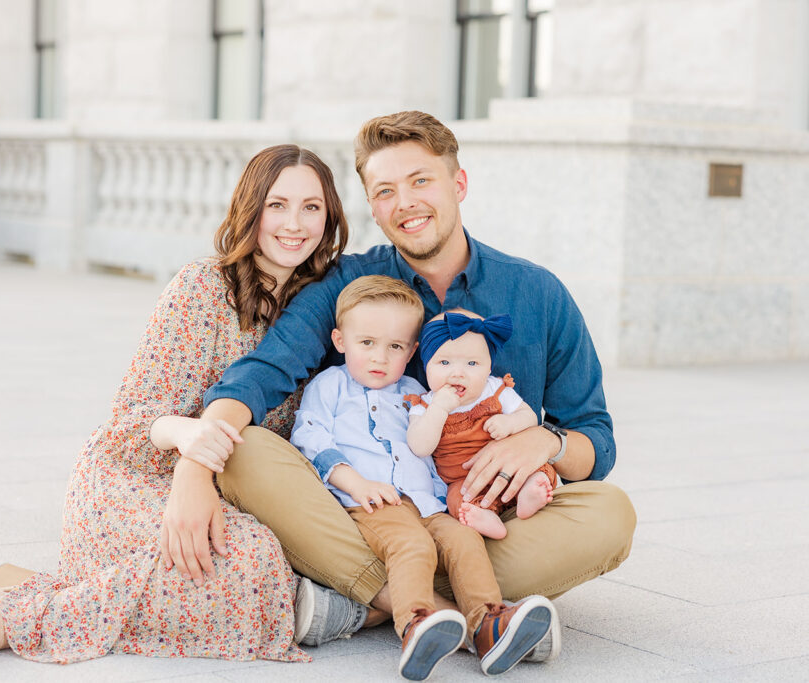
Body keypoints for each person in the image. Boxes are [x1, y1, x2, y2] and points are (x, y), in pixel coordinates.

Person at [194, 110, 637, 664]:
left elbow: (596, 438)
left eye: (420, 181)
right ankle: (467, 612)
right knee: (247, 449)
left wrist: (543, 442)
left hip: (491, 517)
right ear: (373, 207)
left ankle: (367, 604)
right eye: (385, 191)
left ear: (459, 184)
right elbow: (266, 369)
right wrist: (196, 465)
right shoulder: (348, 281)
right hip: (376, 513)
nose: (405, 203)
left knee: (611, 514)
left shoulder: (538, 293)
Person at [0, 144, 366, 662]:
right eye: (278, 205)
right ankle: (15, 616)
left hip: (244, 493)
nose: (294, 223)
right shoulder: (202, 287)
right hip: (137, 477)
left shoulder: (331, 308)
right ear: (251, 209)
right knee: (249, 559)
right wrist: (189, 439)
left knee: (274, 557)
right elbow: (132, 417)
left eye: (311, 207)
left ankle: (21, 588)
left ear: (330, 214)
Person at [290, 275, 556, 679]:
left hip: (428, 500)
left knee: (464, 540)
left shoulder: (416, 392)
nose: (380, 358)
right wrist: (355, 484)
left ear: (412, 351)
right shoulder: (331, 386)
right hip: (375, 502)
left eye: (394, 347)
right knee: (413, 546)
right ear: (340, 341)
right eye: (367, 344)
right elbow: (309, 436)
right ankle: (416, 623)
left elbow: (439, 444)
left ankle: (489, 623)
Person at [406, 309, 557, 541]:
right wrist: (439, 409)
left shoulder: (496, 390)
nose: (458, 373)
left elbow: (530, 416)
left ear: (488, 368)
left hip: (511, 465)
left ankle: (529, 492)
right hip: (464, 480)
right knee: (457, 499)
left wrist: (510, 422)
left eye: (472, 363)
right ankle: (483, 516)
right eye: (444, 362)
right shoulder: (425, 405)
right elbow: (420, 446)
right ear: (426, 365)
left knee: (540, 471)